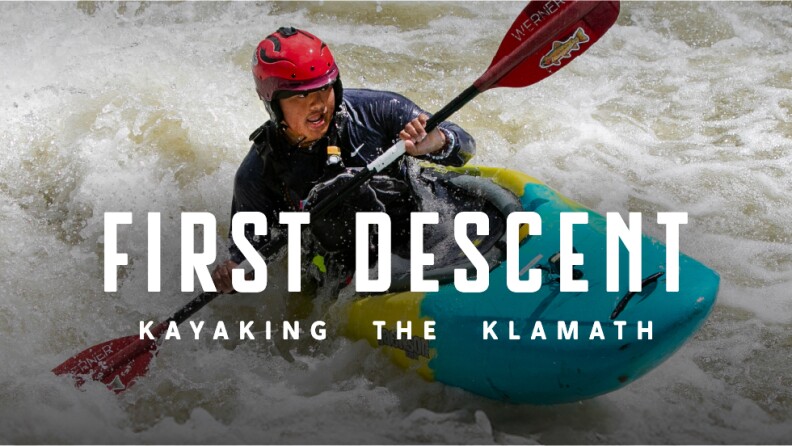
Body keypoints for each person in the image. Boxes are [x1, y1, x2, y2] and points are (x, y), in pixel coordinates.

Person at [212, 26, 475, 294]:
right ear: (273, 103)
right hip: (339, 264)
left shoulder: (379, 110)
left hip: (414, 228)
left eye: (324, 88)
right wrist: (235, 275)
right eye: (301, 94)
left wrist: (438, 141)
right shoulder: (257, 174)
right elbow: (248, 254)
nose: (318, 103)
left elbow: (466, 148)